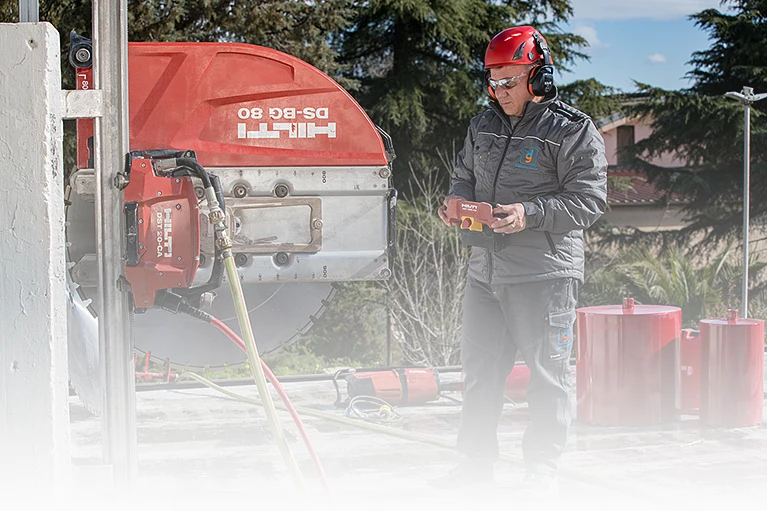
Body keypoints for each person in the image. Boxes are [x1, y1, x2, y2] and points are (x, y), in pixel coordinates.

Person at [433, 26, 608, 493]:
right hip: (484, 273)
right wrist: (455, 204)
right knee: (480, 377)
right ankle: (473, 469)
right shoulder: (482, 125)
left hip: (543, 276)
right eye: (493, 81)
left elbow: (589, 202)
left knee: (548, 379)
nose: (499, 91)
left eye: (510, 81)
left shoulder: (572, 130)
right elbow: (463, 177)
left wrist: (529, 215)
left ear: (539, 77)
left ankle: (541, 473)